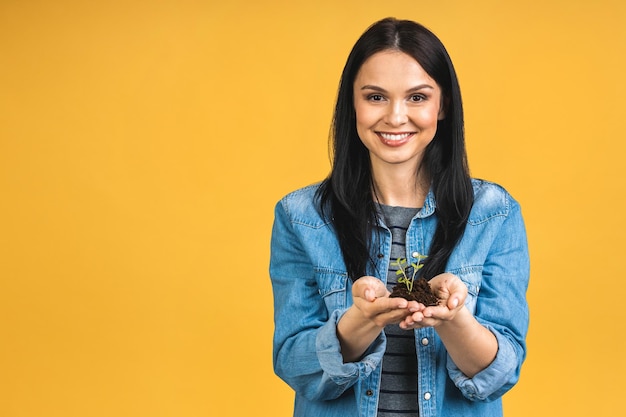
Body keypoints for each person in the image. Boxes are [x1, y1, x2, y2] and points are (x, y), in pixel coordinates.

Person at [269, 17, 529, 417]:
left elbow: (501, 372)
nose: (394, 116)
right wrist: (358, 323)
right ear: (351, 104)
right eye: (375, 97)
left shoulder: (493, 213)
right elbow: (294, 364)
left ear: (442, 106)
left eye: (417, 97)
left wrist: (453, 318)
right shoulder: (301, 217)